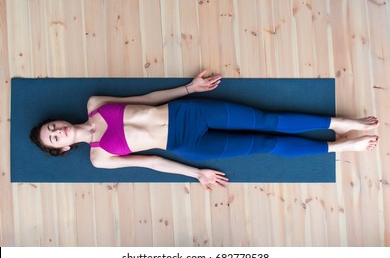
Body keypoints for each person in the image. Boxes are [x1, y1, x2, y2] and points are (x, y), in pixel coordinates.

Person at [30, 70, 380, 191]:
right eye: (54, 137)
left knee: (267, 119)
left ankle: (343, 124)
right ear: (61, 150)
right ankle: (340, 148)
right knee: (267, 142)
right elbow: (152, 162)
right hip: (189, 144)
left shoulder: (95, 103)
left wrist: (189, 89)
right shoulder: (99, 158)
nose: (58, 131)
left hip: (188, 111)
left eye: (52, 127)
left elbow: (146, 98)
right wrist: (195, 173)